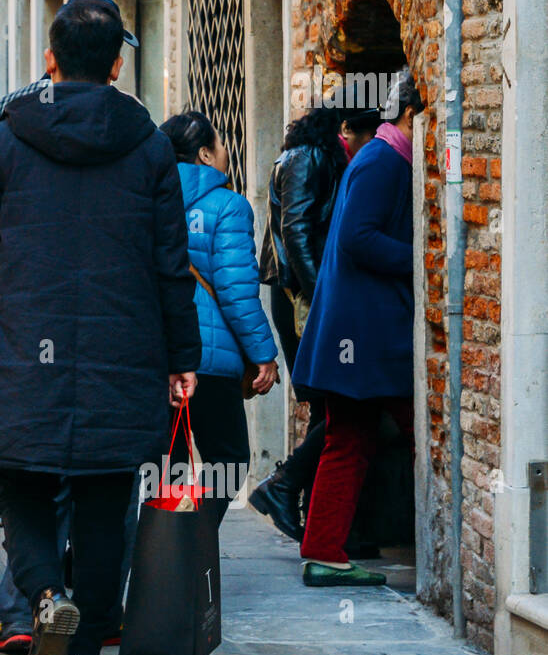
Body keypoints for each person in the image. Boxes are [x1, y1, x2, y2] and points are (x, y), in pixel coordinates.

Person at [0, 0, 200, 655]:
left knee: (22, 488)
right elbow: (169, 264)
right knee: (102, 503)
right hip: (124, 353)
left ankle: (45, 596)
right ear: (118, 64)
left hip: (22, 346)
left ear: (50, 61)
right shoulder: (150, 146)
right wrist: (183, 358)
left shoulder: (4, 141)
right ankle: (86, 651)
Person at [294, 70, 423, 587]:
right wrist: (422, 260)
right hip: (368, 337)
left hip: (362, 332)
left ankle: (323, 550)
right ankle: (325, 551)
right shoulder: (384, 160)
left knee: (349, 438)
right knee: (421, 434)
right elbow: (355, 238)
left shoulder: (381, 157)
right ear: (411, 113)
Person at [160, 112, 278, 529]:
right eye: (221, 143)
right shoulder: (228, 206)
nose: (227, 151)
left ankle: (167, 548)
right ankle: (194, 537)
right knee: (228, 457)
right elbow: (236, 291)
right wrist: (263, 354)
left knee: (167, 460)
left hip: (157, 356)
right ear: (206, 155)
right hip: (209, 361)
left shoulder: (146, 199)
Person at [249, 106, 350, 538]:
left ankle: (299, 497)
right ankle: (283, 484)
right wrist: (320, 294)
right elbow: (296, 231)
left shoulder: (309, 155)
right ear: (340, 128)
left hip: (301, 292)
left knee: (330, 404)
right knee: (341, 403)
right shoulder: (308, 157)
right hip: (299, 295)